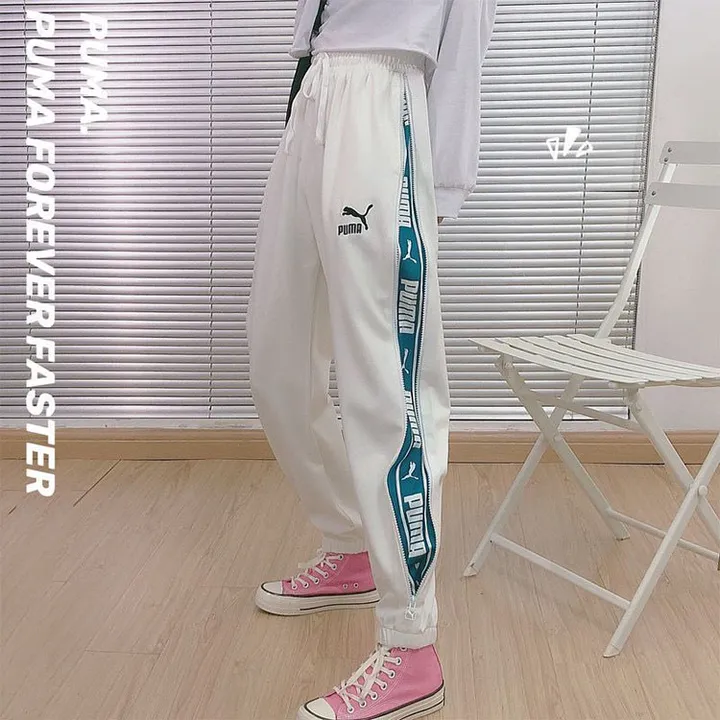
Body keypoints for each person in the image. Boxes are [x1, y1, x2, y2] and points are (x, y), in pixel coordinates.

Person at [247, 0, 497, 717]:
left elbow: (468, 36)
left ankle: (412, 645)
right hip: (315, 96)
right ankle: (350, 544)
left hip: (383, 103)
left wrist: (441, 189)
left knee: (387, 382)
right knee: (277, 358)